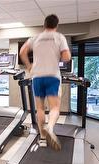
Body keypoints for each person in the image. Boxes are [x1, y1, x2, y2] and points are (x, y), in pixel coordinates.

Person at [19, 14, 71, 151]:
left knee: (40, 108)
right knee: (54, 108)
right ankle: (50, 127)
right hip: (52, 76)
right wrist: (59, 54)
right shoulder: (59, 37)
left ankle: (42, 137)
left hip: (37, 77)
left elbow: (22, 51)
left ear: (44, 25)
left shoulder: (35, 38)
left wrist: (29, 66)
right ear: (56, 25)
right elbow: (66, 57)